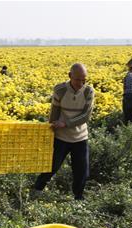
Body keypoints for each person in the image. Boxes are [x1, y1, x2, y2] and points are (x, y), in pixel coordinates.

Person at [32, 63, 94, 201]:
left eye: (84, 79)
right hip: (61, 137)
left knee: (81, 171)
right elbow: (54, 112)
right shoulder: (60, 90)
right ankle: (36, 190)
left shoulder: (88, 91)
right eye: (78, 79)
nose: (81, 83)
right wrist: (51, 131)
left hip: (80, 137)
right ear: (70, 76)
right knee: (51, 166)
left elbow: (86, 116)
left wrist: (65, 123)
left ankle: (78, 197)